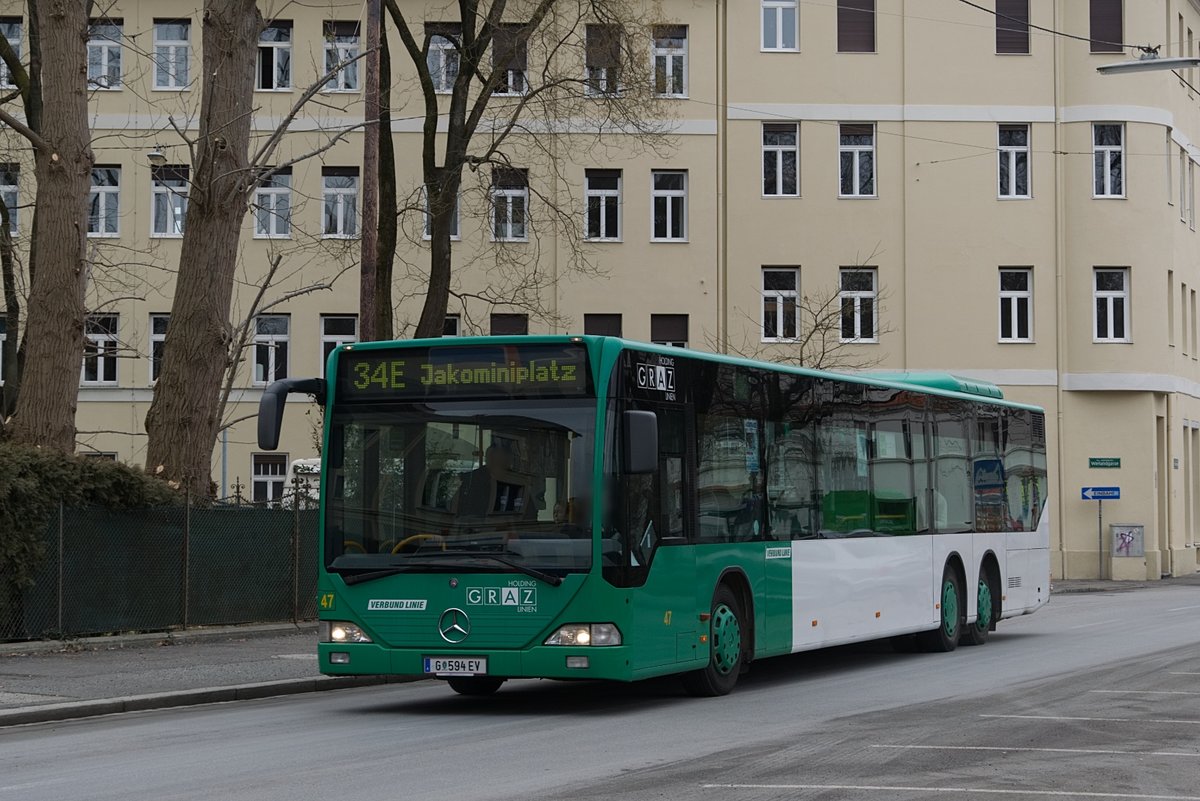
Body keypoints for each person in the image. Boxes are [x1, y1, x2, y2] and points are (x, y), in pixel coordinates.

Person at [454, 444, 523, 517]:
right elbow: (458, 508)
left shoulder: (517, 483)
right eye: (491, 459)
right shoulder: (471, 480)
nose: (496, 464)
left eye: (500, 461)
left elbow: (529, 514)